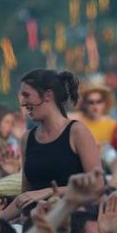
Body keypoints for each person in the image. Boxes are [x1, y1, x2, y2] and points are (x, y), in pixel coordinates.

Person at [16, 69, 101, 208]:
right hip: (32, 223)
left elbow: (97, 186)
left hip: (71, 221)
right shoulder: (27, 138)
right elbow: (25, 195)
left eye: (27, 95)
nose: (23, 103)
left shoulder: (77, 131)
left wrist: (50, 192)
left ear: (47, 96)